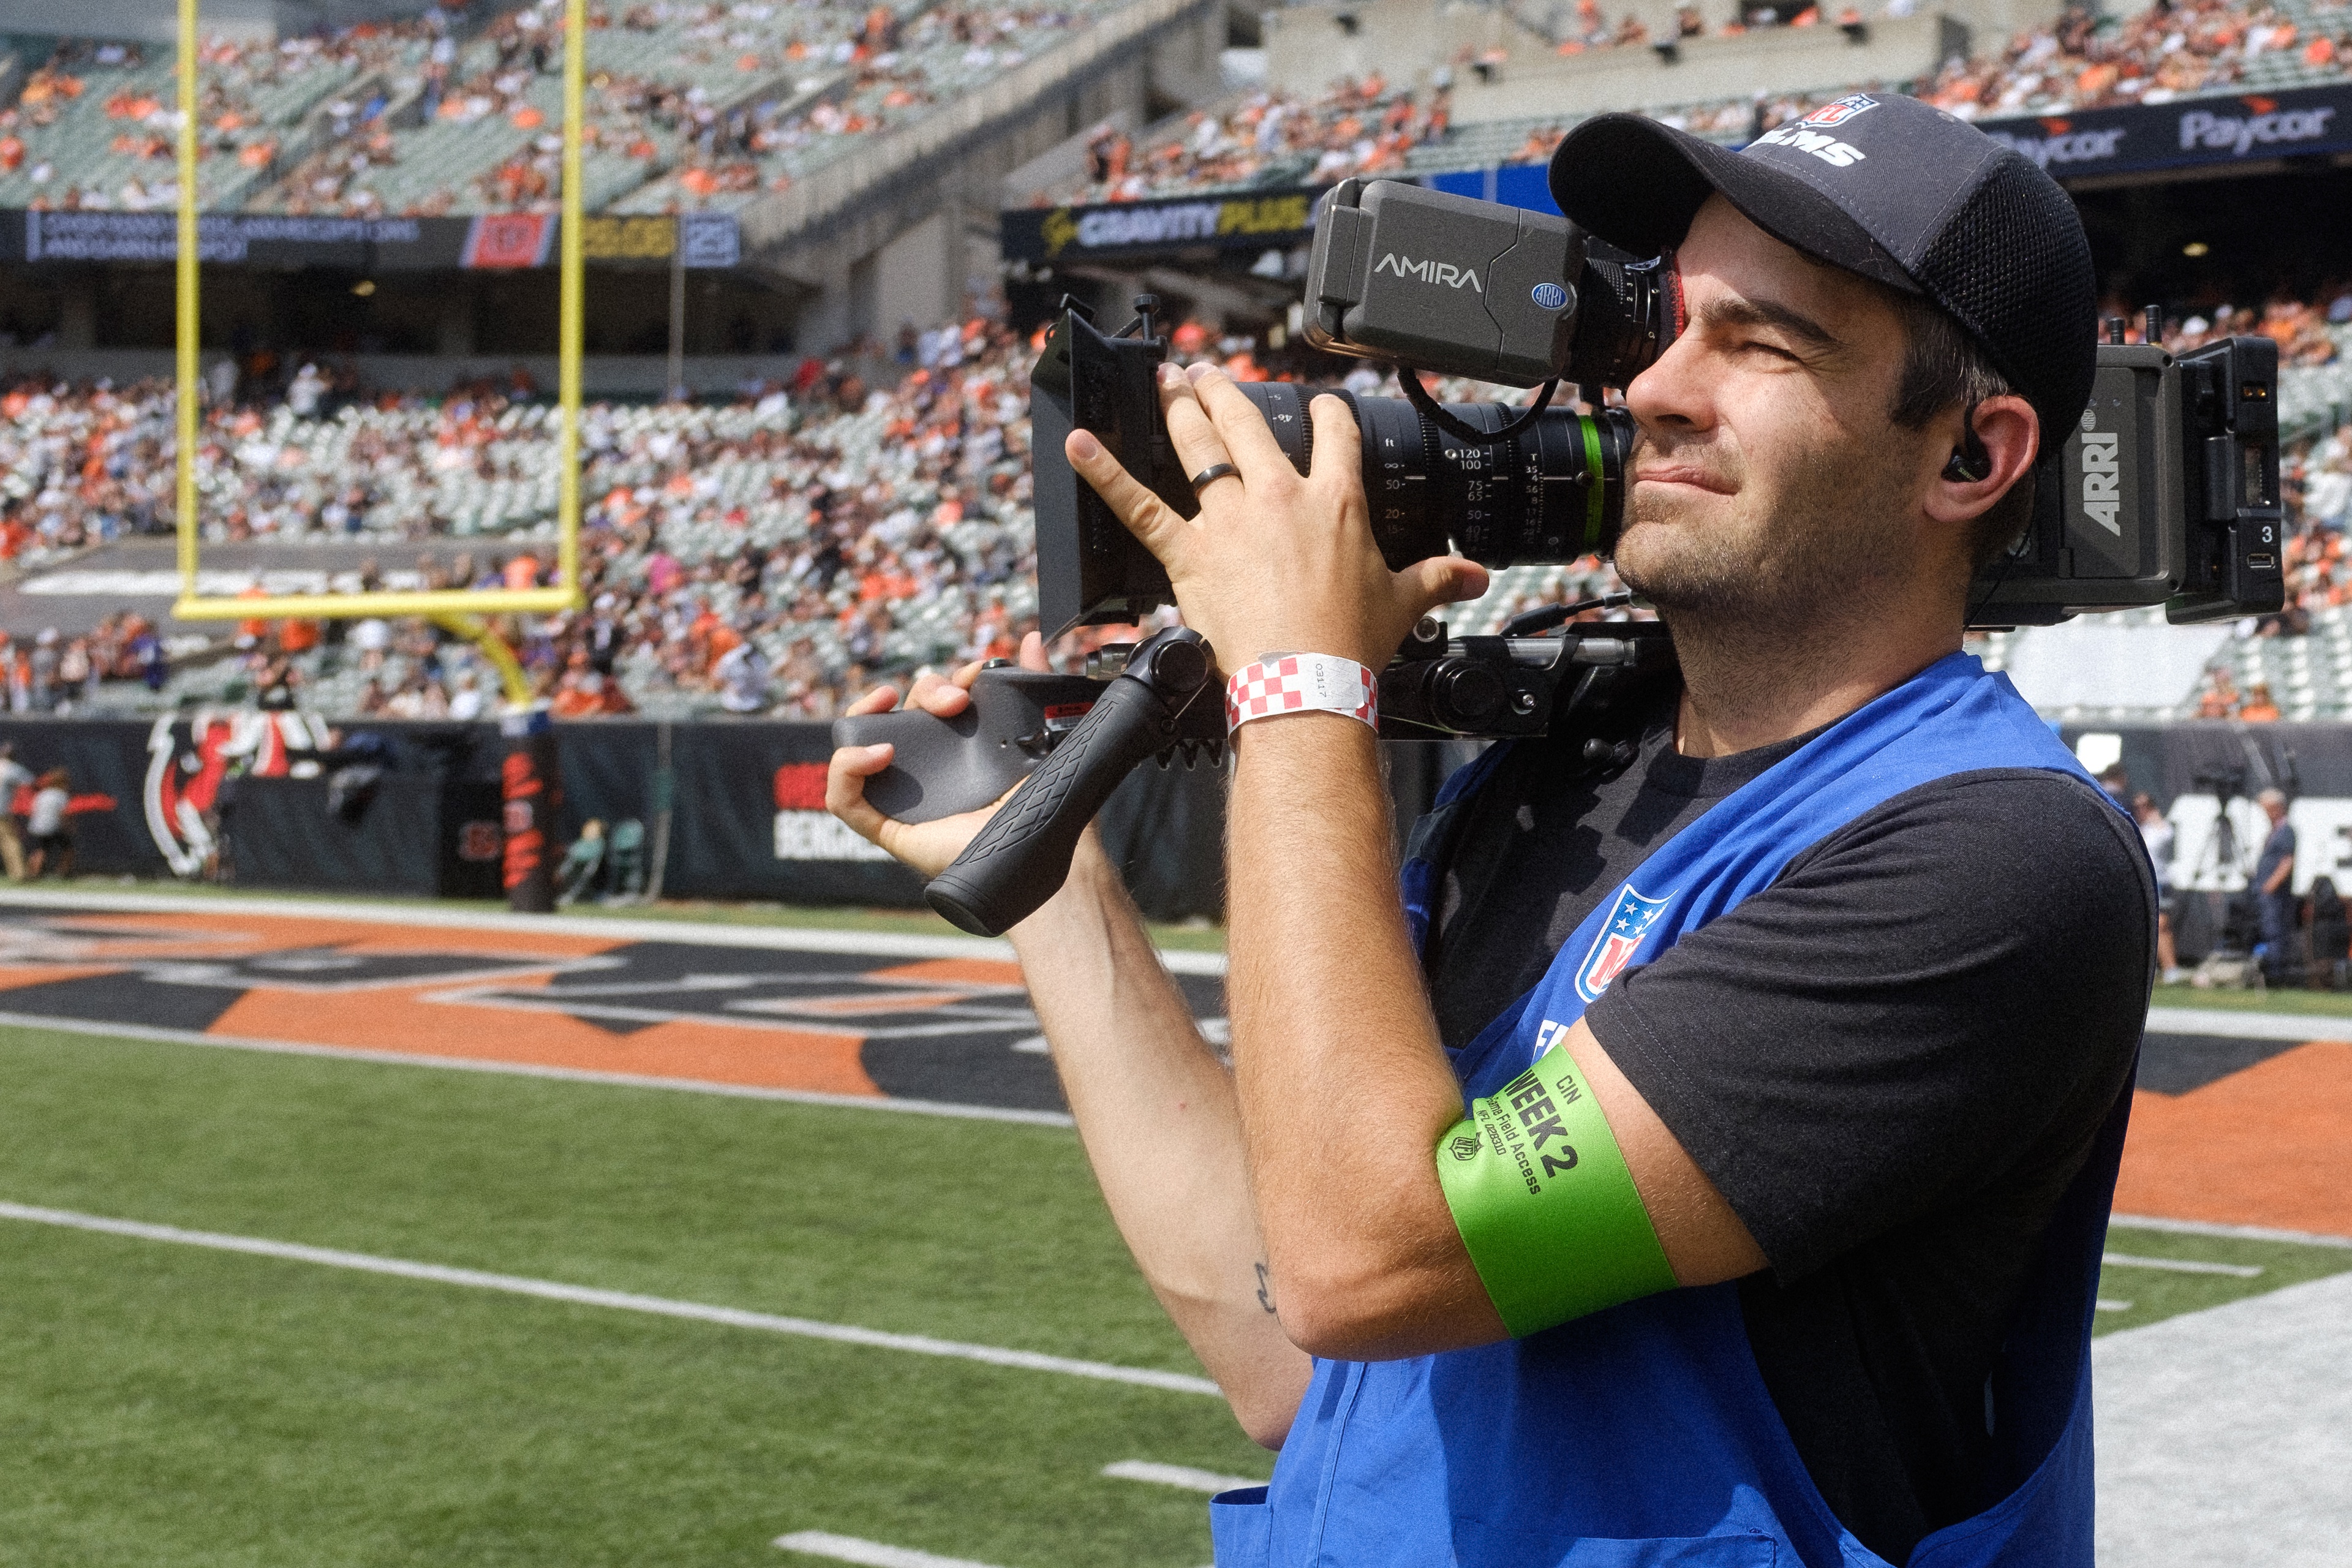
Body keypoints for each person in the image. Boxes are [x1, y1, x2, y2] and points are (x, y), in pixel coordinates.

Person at [830, 94, 2152, 1565]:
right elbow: (1287, 1341)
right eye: (1666, 327)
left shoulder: (1988, 857)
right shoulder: (1556, 779)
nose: (1654, 386)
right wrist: (1059, 892)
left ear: (1970, 456)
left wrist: (1297, 683)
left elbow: (1367, 1257)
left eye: (1761, 343)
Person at [2135, 791, 2184, 982]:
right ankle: (2151, 968)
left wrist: (2156, 818)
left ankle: (2171, 969)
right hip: (2145, 879)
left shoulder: (2159, 828)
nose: (2140, 810)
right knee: (2148, 926)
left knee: (2162, 925)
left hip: (2159, 881)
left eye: (2144, 806)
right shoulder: (2142, 828)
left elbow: (2167, 836)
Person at [2255, 786, 2297, 981]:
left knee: (2275, 931)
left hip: (2275, 893)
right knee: (2265, 928)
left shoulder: (2286, 831)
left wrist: (2271, 884)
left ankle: (2276, 975)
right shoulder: (2274, 831)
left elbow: (2287, 861)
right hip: (2265, 891)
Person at [26, 766, 73, 879]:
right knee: (68, 849)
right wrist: (69, 827)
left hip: (37, 826)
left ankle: (32, 873)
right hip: (52, 827)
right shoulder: (61, 795)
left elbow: (34, 810)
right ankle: (62, 873)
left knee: (41, 849)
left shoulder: (43, 794)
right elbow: (63, 814)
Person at [0, 741, 29, 880]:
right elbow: (30, 783)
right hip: (3, 812)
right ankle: (19, 874)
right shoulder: (12, 769)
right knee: (11, 841)